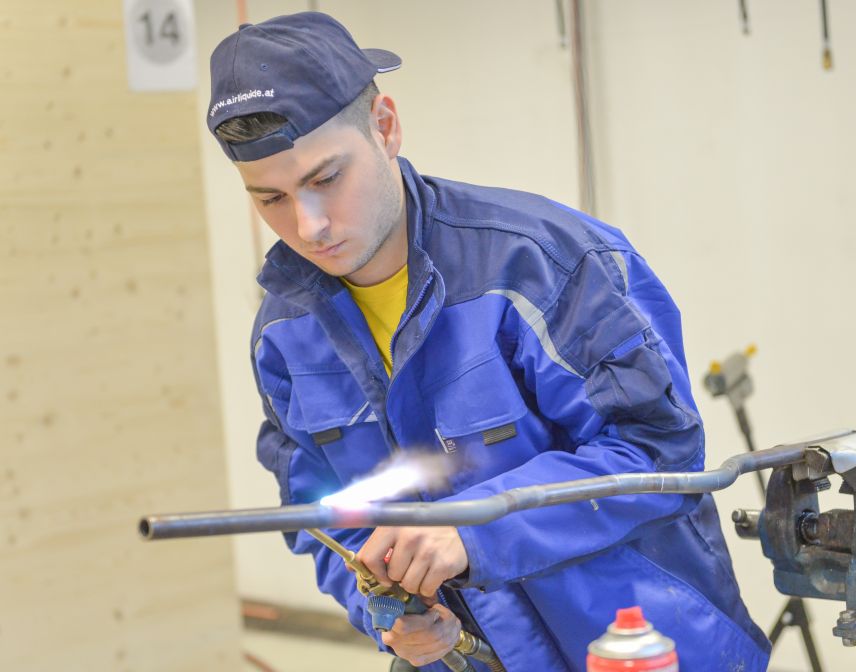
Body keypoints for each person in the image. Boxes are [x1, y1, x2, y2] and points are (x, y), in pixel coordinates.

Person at [207, 12, 770, 672]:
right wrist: (385, 611)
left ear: (385, 127)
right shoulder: (284, 335)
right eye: (270, 199)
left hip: (642, 648)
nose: (309, 227)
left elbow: (660, 450)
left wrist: (480, 527)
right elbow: (324, 513)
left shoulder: (542, 265)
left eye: (326, 179)